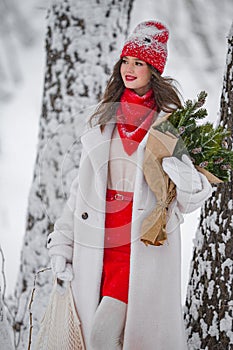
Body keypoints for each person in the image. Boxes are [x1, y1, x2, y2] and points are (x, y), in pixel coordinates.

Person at [47, 21, 212, 350]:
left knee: (101, 336)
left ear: (153, 70)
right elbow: (78, 197)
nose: (130, 69)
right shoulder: (104, 121)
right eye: (126, 61)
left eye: (139, 63)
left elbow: (194, 196)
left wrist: (183, 176)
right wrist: (61, 248)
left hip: (141, 245)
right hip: (98, 241)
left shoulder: (169, 123)